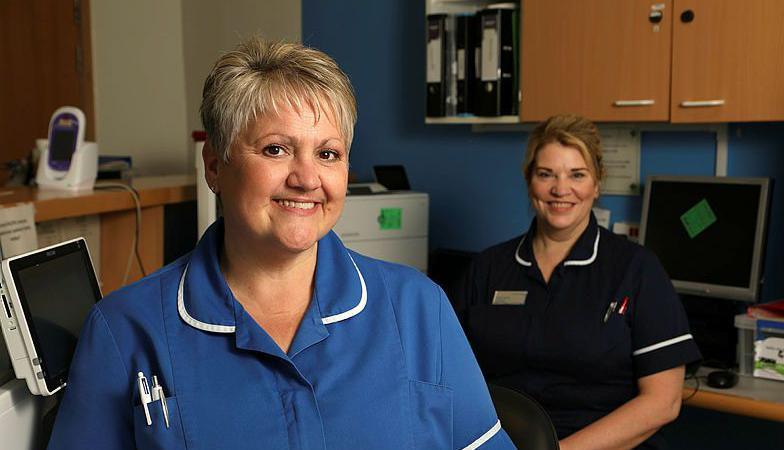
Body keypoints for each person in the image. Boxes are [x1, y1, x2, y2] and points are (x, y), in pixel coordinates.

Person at [48, 38, 514, 450]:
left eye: (327, 154)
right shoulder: (125, 331)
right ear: (215, 165)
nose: (307, 178)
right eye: (276, 149)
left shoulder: (418, 309)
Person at [454, 114, 702, 450]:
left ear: (596, 184)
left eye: (577, 175)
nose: (560, 189)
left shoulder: (636, 269)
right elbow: (450, 381)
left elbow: (664, 401)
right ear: (530, 181)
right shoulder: (487, 268)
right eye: (546, 175)